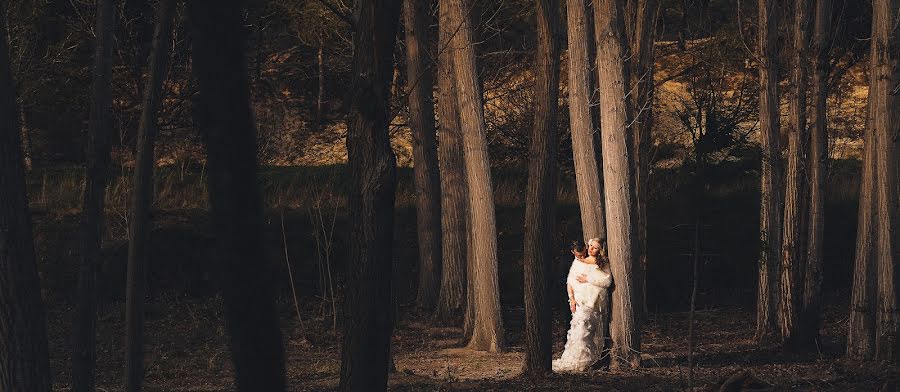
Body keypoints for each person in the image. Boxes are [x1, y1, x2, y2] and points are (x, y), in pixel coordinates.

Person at [552, 238, 613, 373]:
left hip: (591, 302)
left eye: (594, 247)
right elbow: (570, 280)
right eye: (590, 246)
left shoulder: (601, 262)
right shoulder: (578, 261)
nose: (591, 249)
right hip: (579, 302)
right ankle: (573, 359)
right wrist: (572, 299)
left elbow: (606, 281)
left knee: (584, 331)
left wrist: (588, 279)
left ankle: (583, 361)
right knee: (575, 331)